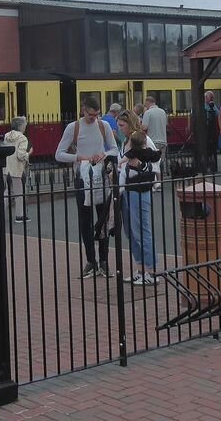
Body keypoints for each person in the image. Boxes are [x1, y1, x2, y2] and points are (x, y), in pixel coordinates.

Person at [55, 97, 118, 278]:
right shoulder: (73, 127)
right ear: (83, 110)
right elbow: (59, 154)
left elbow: (114, 149)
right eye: (91, 115)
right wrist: (79, 157)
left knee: (103, 219)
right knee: (85, 221)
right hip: (82, 177)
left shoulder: (103, 125)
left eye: (97, 115)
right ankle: (91, 261)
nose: (94, 118)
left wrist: (103, 153)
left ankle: (104, 261)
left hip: (101, 176)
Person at [117, 114, 159, 285]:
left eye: (121, 125)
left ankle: (151, 271)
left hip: (140, 188)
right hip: (126, 188)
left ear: (129, 124)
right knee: (131, 231)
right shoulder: (125, 141)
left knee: (142, 229)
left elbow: (155, 163)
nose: (119, 128)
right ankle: (140, 268)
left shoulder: (143, 139)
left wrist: (140, 166)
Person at [3, 116, 31, 224]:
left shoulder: (6, 136)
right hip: (17, 169)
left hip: (6, 168)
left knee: (6, 192)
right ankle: (20, 215)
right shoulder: (23, 138)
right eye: (24, 125)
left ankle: (0, 213)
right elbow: (20, 155)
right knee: (19, 193)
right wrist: (29, 154)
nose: (25, 127)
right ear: (21, 126)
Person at [203, 90, 219, 172]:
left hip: (212, 131)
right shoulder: (202, 106)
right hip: (204, 130)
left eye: (212, 97)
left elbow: (217, 114)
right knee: (206, 149)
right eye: (210, 97)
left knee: (213, 149)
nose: (212, 99)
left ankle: (214, 166)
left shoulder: (213, 106)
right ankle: (207, 165)